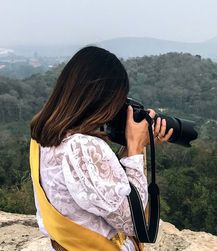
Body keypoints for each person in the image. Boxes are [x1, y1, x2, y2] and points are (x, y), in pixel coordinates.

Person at [29, 46, 172, 251]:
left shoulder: (44, 136)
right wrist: (135, 148)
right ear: (101, 99)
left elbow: (101, 186)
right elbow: (134, 221)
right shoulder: (83, 147)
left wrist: (131, 145)